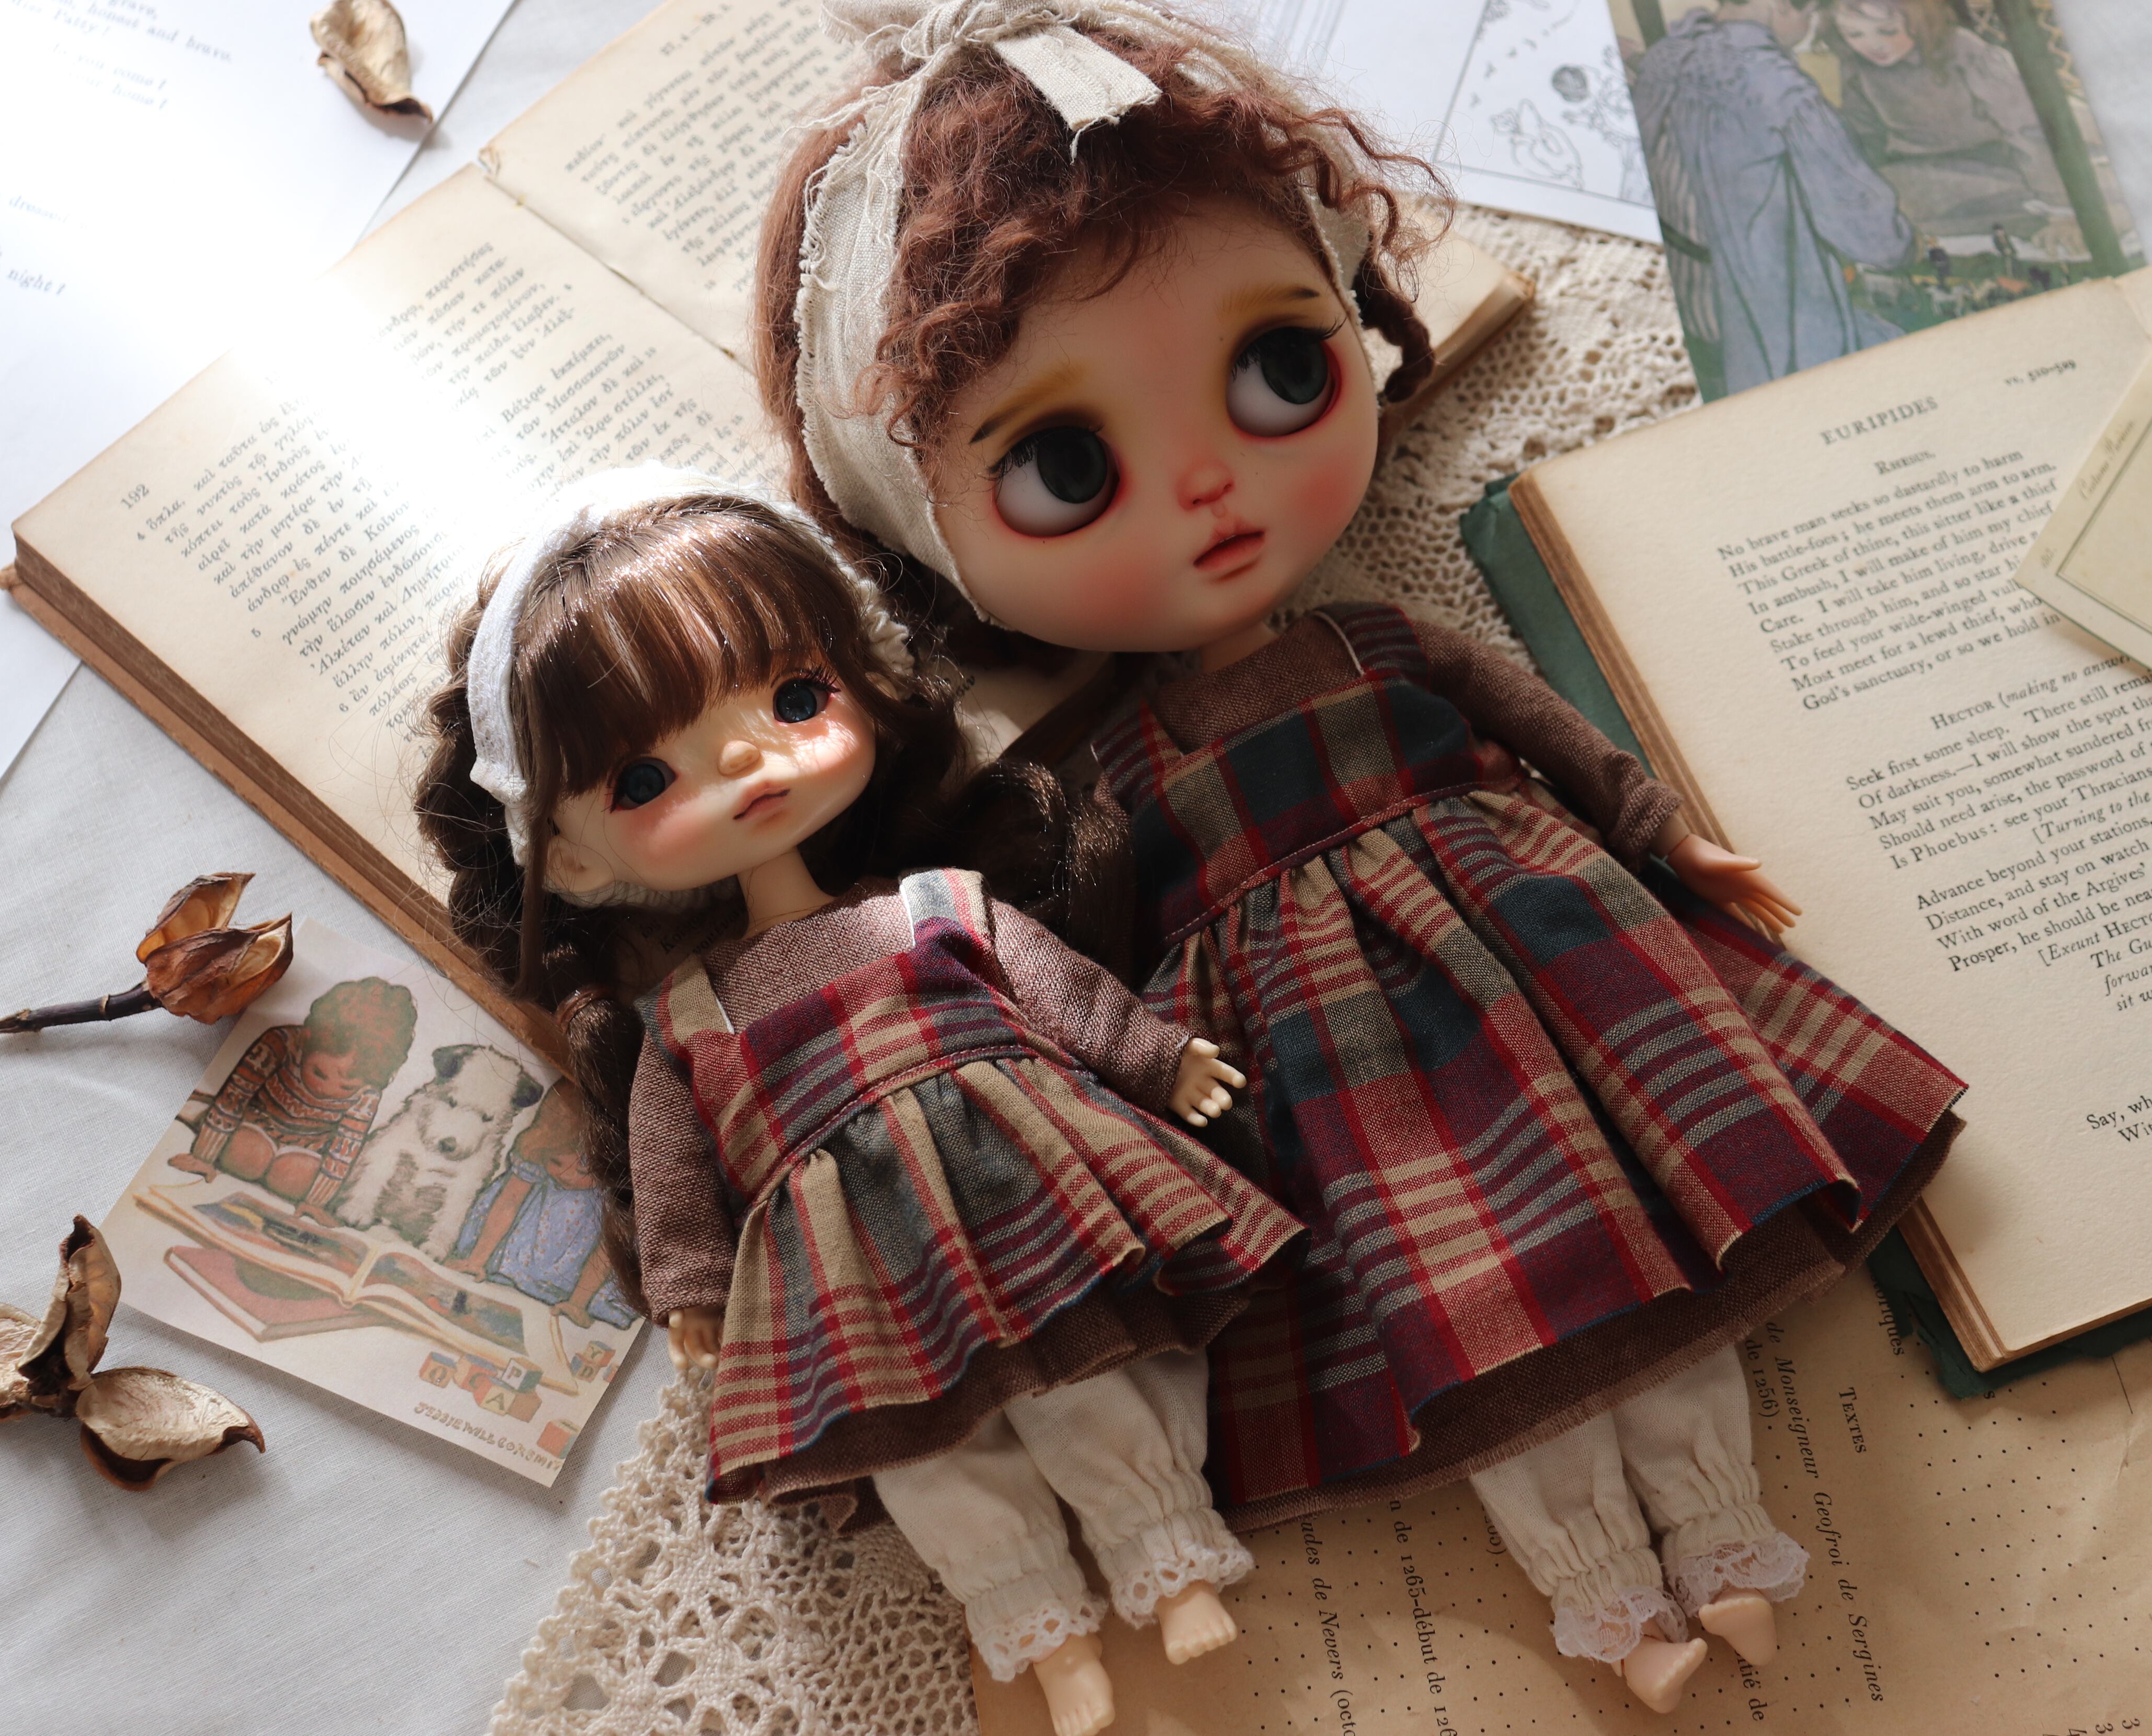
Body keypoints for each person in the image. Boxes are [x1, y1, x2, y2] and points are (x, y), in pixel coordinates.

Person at [752, 2, 1965, 1709]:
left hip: (1545, 962)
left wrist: (1660, 834)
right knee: (1478, 1321)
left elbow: (1546, 732)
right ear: (921, 539)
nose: (1208, 489)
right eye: (1067, 467)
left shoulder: (1388, 641)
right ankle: (1604, 1584)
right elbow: (1078, 966)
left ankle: (1717, 1521)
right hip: (1321, 1078)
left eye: (1279, 372)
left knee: (1644, 1253)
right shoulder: (1104, 779)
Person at [415, 464, 1303, 1736]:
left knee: (1086, 1361)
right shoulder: (689, 1016)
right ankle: (1039, 1628)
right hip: (843, 1259)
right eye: (644, 780)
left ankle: (1166, 1549)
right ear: (571, 857)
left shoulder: (936, 904)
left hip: (1019, 1176)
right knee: (929, 1445)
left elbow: (1059, 991)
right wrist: (692, 1282)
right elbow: (671, 1163)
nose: (744, 757)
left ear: (867, 679)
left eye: (792, 698)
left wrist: (1156, 1058)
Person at [1631, 0, 1917, 395]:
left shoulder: (1663, 59)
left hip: (1686, 318)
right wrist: (1907, 243)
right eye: (1810, 12)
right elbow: (1872, 236)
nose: (1810, 24)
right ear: (1780, 6)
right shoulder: (1778, 84)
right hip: (1771, 335)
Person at [1821, 0, 2068, 241]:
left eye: (1888, 31)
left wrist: (2059, 206)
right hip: (1914, 172)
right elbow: (1865, 137)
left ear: (1920, 20)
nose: (1874, 45)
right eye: (1854, 34)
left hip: (1991, 166)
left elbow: (2024, 128)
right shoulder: (1856, 66)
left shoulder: (1964, 48)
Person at [173, 976, 417, 1209]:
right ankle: (201, 1110)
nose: (326, 1090)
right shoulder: (279, 1043)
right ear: (308, 1037)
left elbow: (345, 1148)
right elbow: (233, 1099)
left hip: (307, 1148)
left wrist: (314, 1205)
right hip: (258, 1123)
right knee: (246, 1156)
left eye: (346, 1088)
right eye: (319, 1073)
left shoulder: (368, 1093)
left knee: (294, 1180)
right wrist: (203, 1157)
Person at [446, 1083, 637, 1330]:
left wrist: (577, 1303)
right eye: (556, 1162)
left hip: (579, 1275)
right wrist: (476, 1261)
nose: (567, 1177)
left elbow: (609, 1247)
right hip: (519, 1255)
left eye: (584, 1171)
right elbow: (508, 1203)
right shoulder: (537, 1159)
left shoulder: (616, 1193)